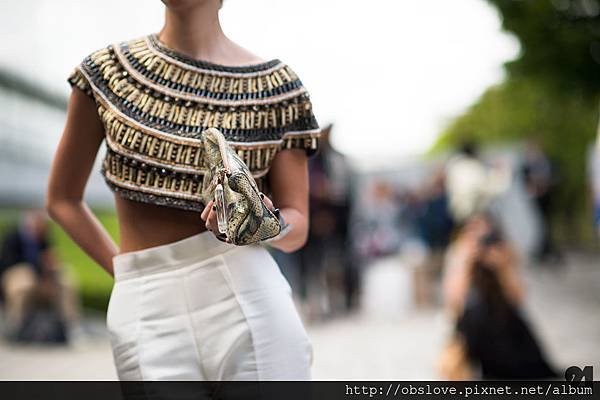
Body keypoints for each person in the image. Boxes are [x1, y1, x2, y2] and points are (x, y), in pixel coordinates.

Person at [46, 0, 321, 380]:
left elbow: (299, 221)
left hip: (249, 293)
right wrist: (128, 275)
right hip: (145, 301)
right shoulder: (107, 72)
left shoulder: (277, 88)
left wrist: (265, 224)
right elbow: (62, 199)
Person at [442, 214, 557, 379]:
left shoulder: (503, 251)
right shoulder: (459, 254)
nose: (479, 238)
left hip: (504, 325)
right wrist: (465, 263)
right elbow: (454, 302)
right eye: (472, 231)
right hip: (473, 327)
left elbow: (518, 298)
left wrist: (502, 268)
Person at [0, 210, 79, 342]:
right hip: (17, 277)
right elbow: (9, 263)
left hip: (40, 277)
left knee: (66, 279)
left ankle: (69, 325)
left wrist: (50, 277)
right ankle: (15, 325)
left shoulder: (44, 239)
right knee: (24, 281)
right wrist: (37, 266)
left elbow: (49, 261)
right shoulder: (13, 237)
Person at [445, 140, 511, 223]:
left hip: (458, 215)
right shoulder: (471, 167)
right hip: (472, 216)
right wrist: (500, 172)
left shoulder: (454, 167)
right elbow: (493, 189)